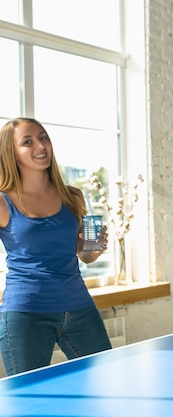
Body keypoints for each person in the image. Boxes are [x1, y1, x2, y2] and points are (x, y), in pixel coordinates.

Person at [0, 117, 112, 376]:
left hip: (79, 307)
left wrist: (91, 251)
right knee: (30, 400)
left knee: (107, 380)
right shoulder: (4, 202)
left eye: (43, 137)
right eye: (27, 142)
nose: (40, 145)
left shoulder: (73, 196)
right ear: (11, 152)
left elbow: (83, 256)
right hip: (25, 313)